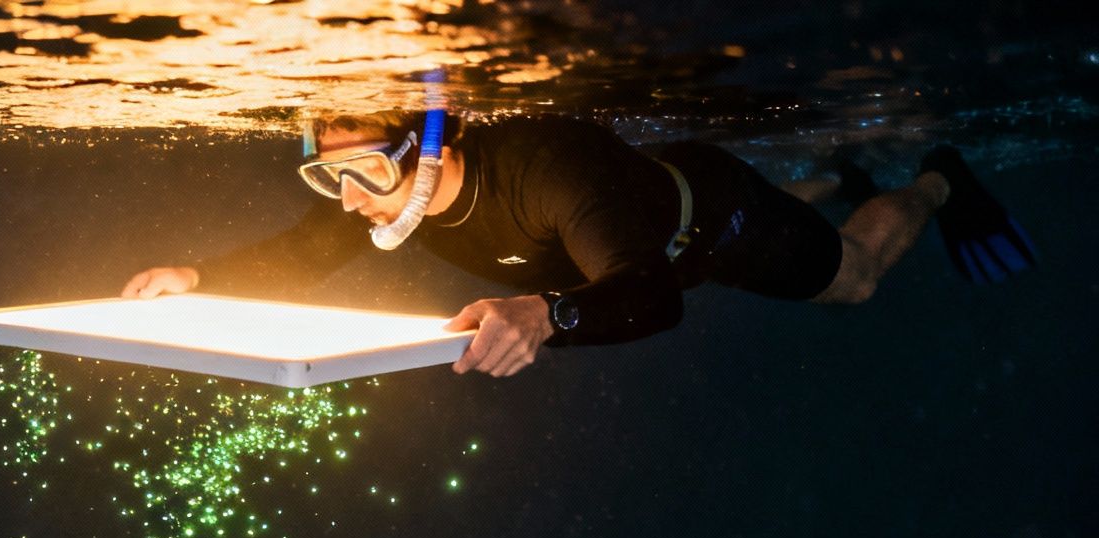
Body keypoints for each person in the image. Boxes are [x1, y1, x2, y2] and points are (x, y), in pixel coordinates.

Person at [122, 108, 1035, 378]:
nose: (350, 198)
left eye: (364, 172)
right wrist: (194, 275)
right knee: (779, 208)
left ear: (428, 145)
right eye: (327, 177)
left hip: (704, 222)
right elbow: (304, 253)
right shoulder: (368, 192)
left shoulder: (547, 171)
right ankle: (835, 174)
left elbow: (655, 295)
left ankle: (936, 179)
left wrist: (548, 314)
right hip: (633, 226)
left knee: (858, 280)